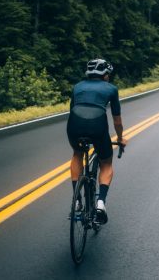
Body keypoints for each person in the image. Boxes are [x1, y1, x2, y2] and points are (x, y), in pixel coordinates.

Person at [66, 58, 127, 224]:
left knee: (77, 154)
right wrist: (120, 139)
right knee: (106, 162)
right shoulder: (111, 89)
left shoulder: (77, 87)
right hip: (97, 126)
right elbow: (117, 121)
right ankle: (100, 203)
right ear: (105, 75)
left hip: (74, 125)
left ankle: (77, 200)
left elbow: (72, 110)